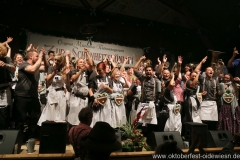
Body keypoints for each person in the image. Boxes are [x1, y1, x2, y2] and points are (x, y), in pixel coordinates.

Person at [14, 47, 47, 139]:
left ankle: (30, 139)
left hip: (33, 96)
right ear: (31, 57)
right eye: (36, 56)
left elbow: (47, 68)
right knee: (21, 119)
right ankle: (18, 140)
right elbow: (32, 69)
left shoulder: (37, 66)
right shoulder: (23, 64)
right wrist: (40, 58)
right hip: (22, 96)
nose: (38, 57)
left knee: (34, 118)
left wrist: (43, 57)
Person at [38, 53, 66, 126]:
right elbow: (48, 80)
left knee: (60, 111)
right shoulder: (51, 68)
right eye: (55, 60)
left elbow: (67, 82)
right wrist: (55, 71)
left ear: (61, 62)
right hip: (52, 92)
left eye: (58, 60)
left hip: (61, 93)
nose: (56, 61)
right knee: (52, 111)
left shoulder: (64, 69)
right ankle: (50, 126)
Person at [67, 49, 93, 126]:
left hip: (84, 99)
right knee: (73, 118)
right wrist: (80, 71)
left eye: (83, 62)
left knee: (83, 118)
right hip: (75, 99)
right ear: (77, 64)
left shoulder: (87, 72)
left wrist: (87, 53)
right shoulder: (74, 71)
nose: (82, 63)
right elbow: (74, 79)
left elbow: (91, 64)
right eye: (80, 62)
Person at [89, 62, 113, 127]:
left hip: (106, 102)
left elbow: (112, 91)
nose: (99, 72)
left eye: (100, 70)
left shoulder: (109, 79)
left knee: (106, 118)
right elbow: (90, 90)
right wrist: (93, 99)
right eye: (98, 70)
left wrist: (107, 87)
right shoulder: (94, 79)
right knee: (96, 118)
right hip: (97, 101)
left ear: (104, 69)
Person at [0, 42, 15, 129]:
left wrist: (5, 65)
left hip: (4, 89)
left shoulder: (6, 59)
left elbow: (13, 68)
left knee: (4, 112)